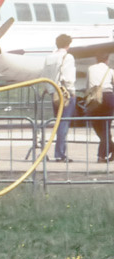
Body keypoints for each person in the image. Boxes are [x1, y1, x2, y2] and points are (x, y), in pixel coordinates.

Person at [47, 33, 77, 162]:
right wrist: (72, 91)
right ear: (68, 44)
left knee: (58, 123)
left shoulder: (49, 57)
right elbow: (68, 76)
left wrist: (49, 90)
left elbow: (45, 75)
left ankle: (59, 152)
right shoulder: (67, 57)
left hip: (53, 92)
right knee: (64, 123)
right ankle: (60, 153)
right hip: (64, 93)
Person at [87, 51, 114, 163]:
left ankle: (102, 155)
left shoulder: (90, 69)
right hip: (108, 97)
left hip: (94, 98)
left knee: (97, 126)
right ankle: (103, 154)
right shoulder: (110, 71)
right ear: (107, 60)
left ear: (96, 59)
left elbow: (87, 84)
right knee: (106, 127)